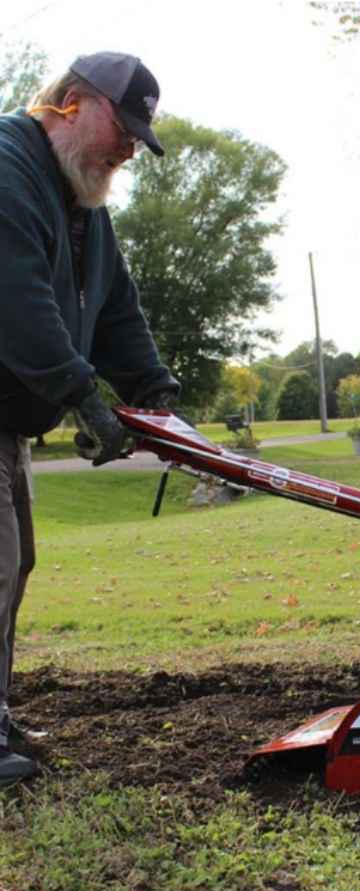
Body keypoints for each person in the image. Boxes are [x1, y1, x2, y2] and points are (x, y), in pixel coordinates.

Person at [0, 52, 179, 785]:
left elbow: (115, 310)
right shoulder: (7, 168)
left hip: (7, 418)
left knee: (18, 562)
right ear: (73, 102)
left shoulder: (82, 204)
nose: (131, 146)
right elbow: (16, 297)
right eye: (124, 126)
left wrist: (155, 389)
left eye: (141, 134)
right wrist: (82, 395)